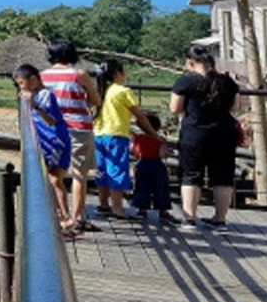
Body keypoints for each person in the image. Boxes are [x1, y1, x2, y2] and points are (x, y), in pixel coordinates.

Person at [169, 44, 241, 231]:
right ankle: (219, 219)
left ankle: (189, 219)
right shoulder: (226, 81)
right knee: (223, 176)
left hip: (195, 133)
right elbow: (235, 107)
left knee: (191, 175)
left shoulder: (186, 81)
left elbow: (175, 108)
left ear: (190, 62)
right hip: (225, 132)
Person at [42, 39, 102, 234]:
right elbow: (95, 100)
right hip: (79, 128)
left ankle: (60, 215)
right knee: (79, 174)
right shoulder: (79, 75)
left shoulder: (42, 77)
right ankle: (77, 218)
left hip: (53, 129)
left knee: (55, 174)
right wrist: (81, 106)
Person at [14, 64, 74, 234]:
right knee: (50, 180)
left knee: (54, 180)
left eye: (21, 83)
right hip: (45, 142)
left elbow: (51, 121)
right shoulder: (35, 95)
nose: (21, 87)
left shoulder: (45, 95)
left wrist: (34, 105)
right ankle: (60, 218)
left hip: (55, 142)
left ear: (33, 80)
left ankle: (65, 218)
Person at [94, 59, 158, 220]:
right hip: (116, 135)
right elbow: (140, 117)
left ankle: (103, 204)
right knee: (117, 170)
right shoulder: (122, 91)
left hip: (98, 134)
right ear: (117, 73)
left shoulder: (100, 89)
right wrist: (152, 133)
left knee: (102, 171)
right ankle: (118, 208)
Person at [130, 112, 179, 224]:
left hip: (142, 164)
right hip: (157, 165)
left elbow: (134, 152)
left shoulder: (139, 138)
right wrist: (168, 152)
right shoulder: (160, 139)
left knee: (142, 188)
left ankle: (142, 210)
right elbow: (163, 153)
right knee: (161, 188)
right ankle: (163, 211)